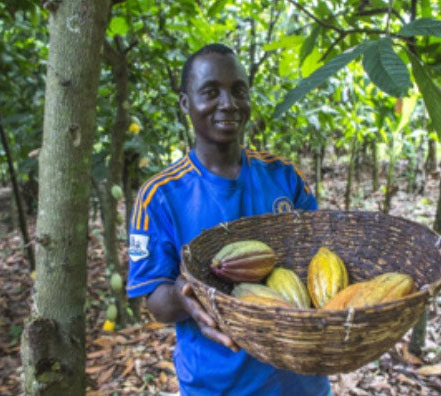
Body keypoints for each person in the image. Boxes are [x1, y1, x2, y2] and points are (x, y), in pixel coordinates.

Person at [126, 43, 330, 396]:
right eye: (210, 92)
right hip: (218, 385)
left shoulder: (284, 176)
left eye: (238, 91)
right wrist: (185, 294)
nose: (228, 103)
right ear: (185, 103)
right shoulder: (159, 196)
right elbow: (155, 300)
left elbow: (320, 258)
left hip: (300, 380)